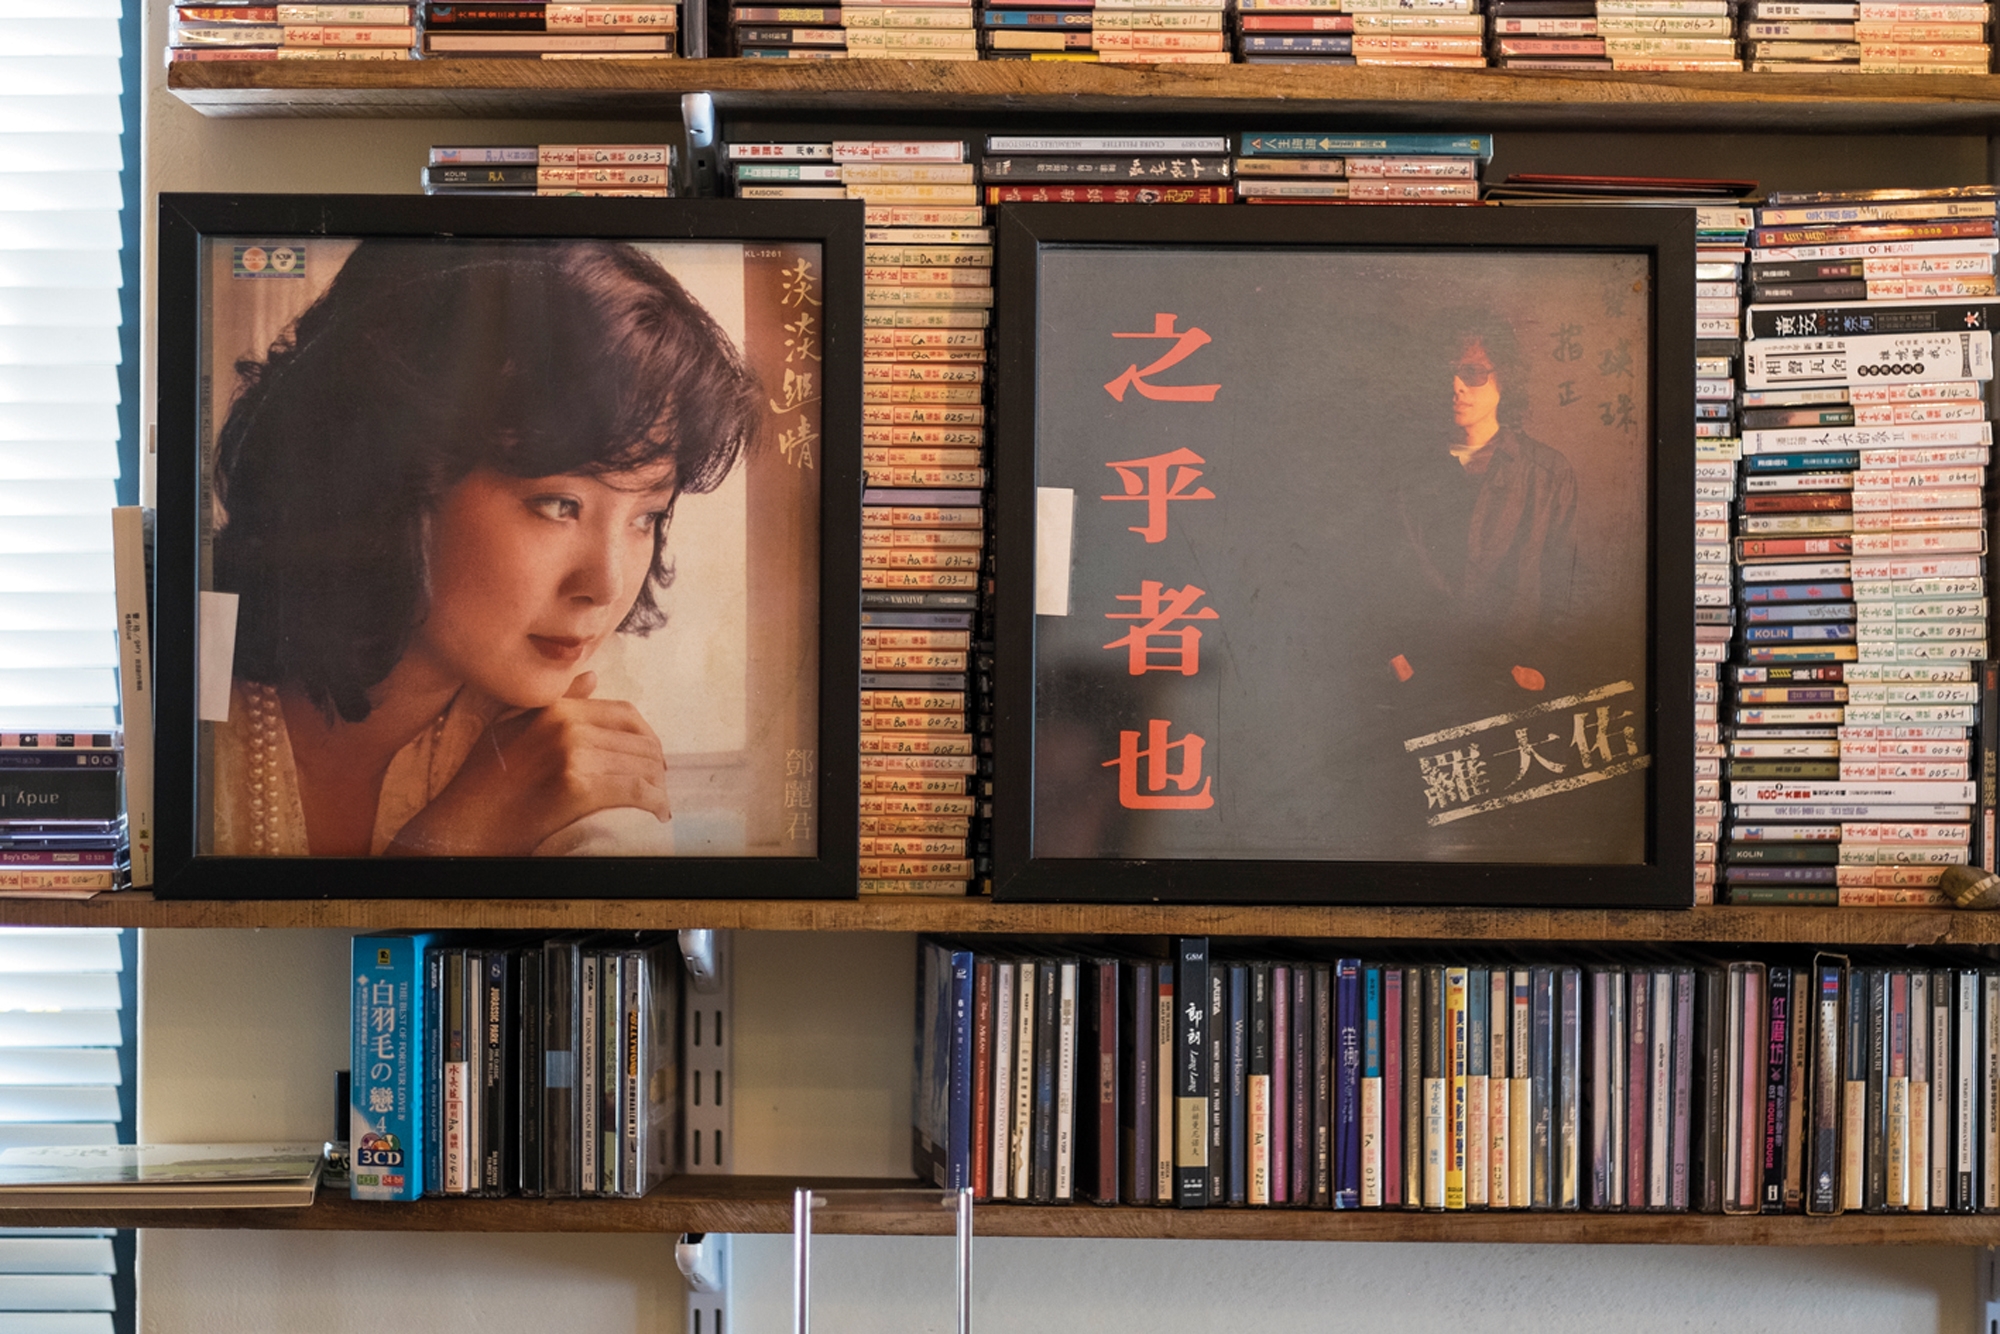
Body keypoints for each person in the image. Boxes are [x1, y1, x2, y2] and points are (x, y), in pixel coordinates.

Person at [207, 239, 762, 857]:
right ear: (393, 477)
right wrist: (448, 840)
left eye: (646, 517)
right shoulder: (189, 684)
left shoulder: (576, 759)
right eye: (558, 505)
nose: (606, 586)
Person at [1388, 315, 1579, 693]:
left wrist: (1543, 666)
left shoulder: (1549, 473)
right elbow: (1382, 572)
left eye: (1472, 372)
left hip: (1512, 678)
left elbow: (1567, 580)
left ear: (1504, 380)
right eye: (1447, 372)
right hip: (1421, 677)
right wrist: (1393, 653)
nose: (1456, 386)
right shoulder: (1406, 473)